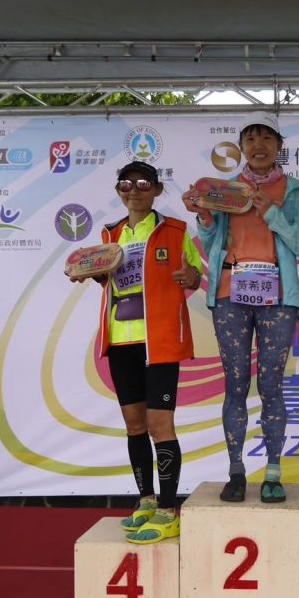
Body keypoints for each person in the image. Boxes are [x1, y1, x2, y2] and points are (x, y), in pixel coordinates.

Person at [182, 112, 299, 503]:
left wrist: (271, 212)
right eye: (251, 138)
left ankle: (273, 472)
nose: (259, 146)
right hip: (230, 294)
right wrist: (205, 216)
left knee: (272, 384)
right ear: (241, 146)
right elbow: (211, 244)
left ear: (279, 146)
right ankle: (236, 471)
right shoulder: (224, 191)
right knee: (236, 383)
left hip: (279, 297)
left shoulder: (298, 192)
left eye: (267, 138)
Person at [72, 160, 203, 544]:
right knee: (134, 425)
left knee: (161, 426)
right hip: (120, 340)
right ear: (118, 191)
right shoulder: (109, 234)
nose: (134, 190)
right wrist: (90, 273)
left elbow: (194, 275)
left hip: (159, 340)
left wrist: (191, 277)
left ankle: (168, 510)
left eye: (143, 183)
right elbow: (109, 281)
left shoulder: (176, 230)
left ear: (157, 189)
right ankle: (146, 500)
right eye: (126, 184)